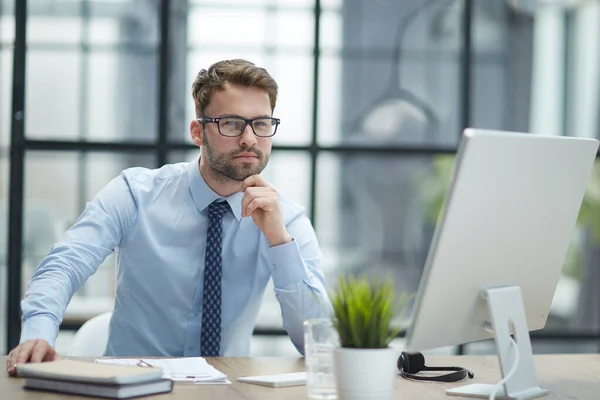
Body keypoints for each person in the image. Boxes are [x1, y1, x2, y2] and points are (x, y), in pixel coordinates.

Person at [6, 59, 333, 376]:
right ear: (197, 132)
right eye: (231, 123)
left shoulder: (285, 219)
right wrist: (38, 333)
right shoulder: (136, 193)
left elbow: (318, 344)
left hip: (224, 390)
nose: (249, 138)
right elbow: (65, 263)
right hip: (131, 387)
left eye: (261, 123)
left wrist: (280, 242)